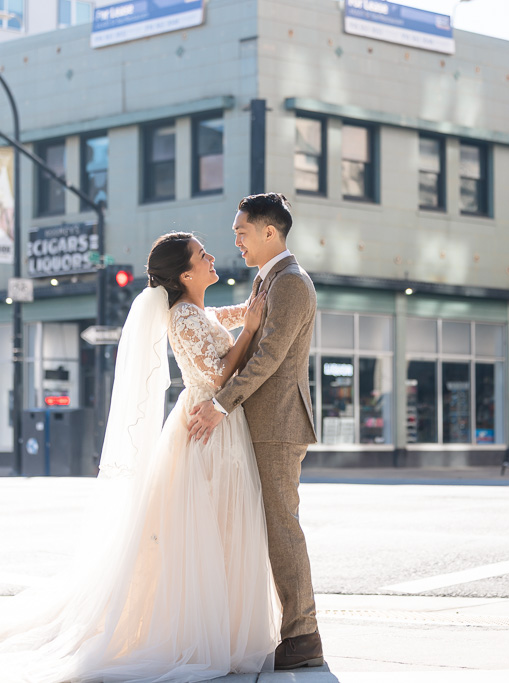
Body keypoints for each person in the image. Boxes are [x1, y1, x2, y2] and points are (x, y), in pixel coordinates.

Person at [0, 232, 279, 683]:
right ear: (186, 274)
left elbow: (216, 322)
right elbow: (219, 371)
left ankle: (222, 627)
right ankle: (204, 631)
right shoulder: (184, 315)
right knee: (206, 531)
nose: (211, 258)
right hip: (207, 428)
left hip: (215, 425)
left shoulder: (192, 311)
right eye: (202, 255)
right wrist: (250, 326)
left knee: (217, 529)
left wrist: (250, 309)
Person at [187, 193, 322, 670]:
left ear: (270, 232)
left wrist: (219, 404)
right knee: (264, 527)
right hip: (260, 422)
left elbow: (268, 358)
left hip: (277, 424)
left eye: (242, 232)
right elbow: (244, 327)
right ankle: (291, 631)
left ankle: (303, 635)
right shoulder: (268, 280)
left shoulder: (290, 283)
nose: (237, 241)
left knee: (281, 527)